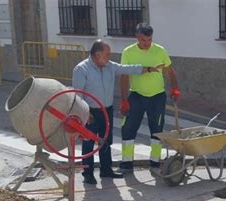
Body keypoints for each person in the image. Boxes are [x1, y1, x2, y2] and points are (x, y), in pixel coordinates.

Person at [72, 39, 162, 185]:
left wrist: (150, 69)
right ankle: (87, 173)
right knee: (88, 143)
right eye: (107, 54)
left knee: (106, 141)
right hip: (90, 113)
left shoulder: (110, 66)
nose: (109, 57)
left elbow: (128, 69)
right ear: (97, 54)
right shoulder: (81, 69)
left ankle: (106, 170)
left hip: (106, 109)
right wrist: (84, 114)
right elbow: (77, 95)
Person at [118, 23, 180, 173]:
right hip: (136, 96)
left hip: (157, 96)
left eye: (149, 40)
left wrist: (175, 88)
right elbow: (124, 76)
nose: (147, 43)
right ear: (137, 38)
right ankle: (126, 163)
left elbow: (170, 71)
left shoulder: (160, 51)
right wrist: (124, 99)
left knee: (156, 129)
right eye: (143, 40)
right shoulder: (128, 52)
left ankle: (155, 162)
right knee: (128, 128)